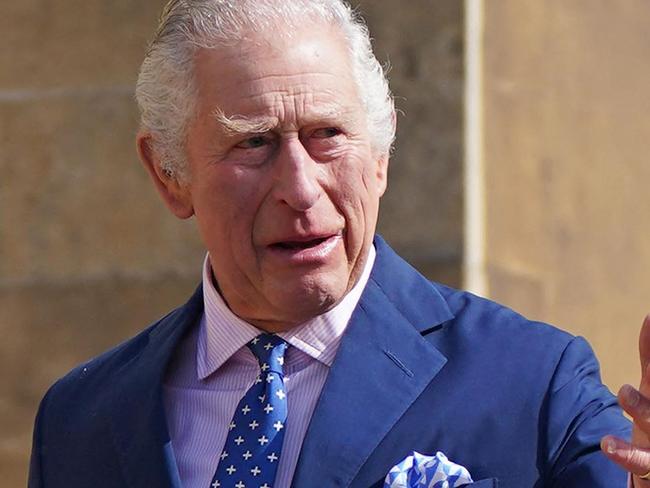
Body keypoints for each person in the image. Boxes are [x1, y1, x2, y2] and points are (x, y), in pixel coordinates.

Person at [27, 1, 650, 487]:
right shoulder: (82, 419)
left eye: (328, 134)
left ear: (380, 155)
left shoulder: (533, 382)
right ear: (168, 172)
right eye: (253, 143)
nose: (300, 188)